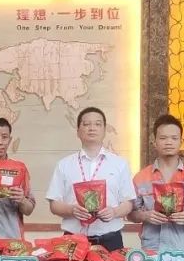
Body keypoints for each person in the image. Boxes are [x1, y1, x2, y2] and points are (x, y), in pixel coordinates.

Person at [45, 107, 135, 251]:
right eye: (86, 124)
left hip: (110, 240)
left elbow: (128, 202)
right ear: (78, 131)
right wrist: (71, 210)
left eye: (98, 124)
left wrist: (114, 212)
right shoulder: (64, 165)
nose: (92, 128)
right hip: (73, 240)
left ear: (104, 130)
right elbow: (54, 204)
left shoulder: (120, 164)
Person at [128, 114, 184, 252]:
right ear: (154, 142)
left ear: (181, 141)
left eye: (174, 138)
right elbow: (131, 214)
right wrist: (145, 216)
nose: (169, 142)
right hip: (151, 249)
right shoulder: (140, 178)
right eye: (163, 138)